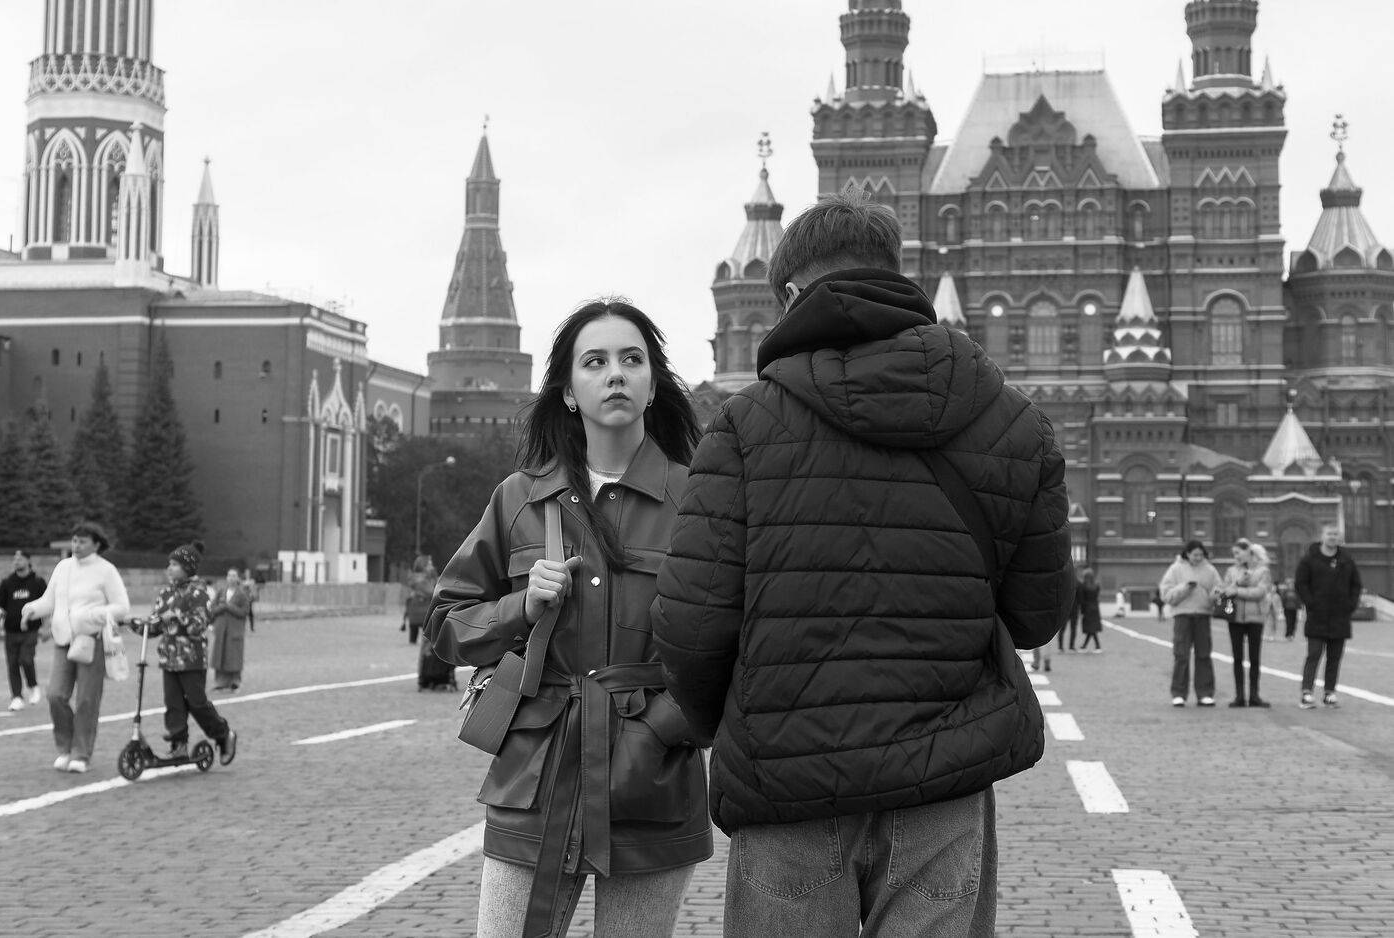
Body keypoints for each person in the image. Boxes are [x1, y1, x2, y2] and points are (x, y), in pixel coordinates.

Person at [652, 191, 1073, 937]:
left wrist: (739, 721)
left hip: (788, 784)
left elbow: (692, 622)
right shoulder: (1012, 420)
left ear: (790, 296)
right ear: (897, 276)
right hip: (945, 779)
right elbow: (1038, 614)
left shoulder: (743, 426)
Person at [427, 300, 712, 938]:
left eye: (632, 360)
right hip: (536, 774)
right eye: (595, 361)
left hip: (652, 780)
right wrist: (521, 607)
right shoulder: (520, 499)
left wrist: (664, 727)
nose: (616, 374)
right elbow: (447, 622)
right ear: (567, 391)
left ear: (653, 384)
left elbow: (734, 639)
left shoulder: (699, 500)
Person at [21, 522, 130, 773]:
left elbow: (122, 607)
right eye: (74, 540)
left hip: (91, 641)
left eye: (82, 541)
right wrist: (31, 609)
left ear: (96, 544)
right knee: (55, 695)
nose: (76, 545)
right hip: (63, 640)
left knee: (86, 700)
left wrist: (93, 615)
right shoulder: (63, 567)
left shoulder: (106, 570)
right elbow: (49, 601)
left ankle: (81, 753)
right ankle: (65, 747)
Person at [125, 541, 238, 761]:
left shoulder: (199, 593)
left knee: (197, 703)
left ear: (188, 567)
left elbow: (199, 625)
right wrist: (134, 623)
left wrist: (178, 617)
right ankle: (179, 744)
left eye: (175, 564)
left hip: (191, 659)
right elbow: (155, 625)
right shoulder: (166, 593)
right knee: (173, 703)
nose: (169, 568)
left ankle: (223, 734)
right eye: (169, 564)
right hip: (169, 658)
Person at [1294, 524, 1362, 709]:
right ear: (1322, 536)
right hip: (1317, 616)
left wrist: (1350, 605)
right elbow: (1300, 583)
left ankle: (1329, 693)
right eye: (1329, 534)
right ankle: (1307, 693)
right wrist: (1311, 603)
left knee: (1334, 658)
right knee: (1314, 655)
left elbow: (1356, 585)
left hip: (1340, 617)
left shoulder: (1346, 560)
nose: (1332, 537)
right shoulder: (1309, 559)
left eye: (1335, 534)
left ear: (1339, 538)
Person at [1158, 539, 1222, 708]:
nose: (1198, 558)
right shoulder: (1175, 569)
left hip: (1203, 615)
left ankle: (1205, 693)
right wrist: (1185, 588)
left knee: (1204, 655)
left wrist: (1215, 594)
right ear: (1187, 554)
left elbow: (1218, 588)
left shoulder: (1210, 570)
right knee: (1181, 655)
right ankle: (1178, 694)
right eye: (1195, 555)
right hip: (1182, 616)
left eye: (1201, 555)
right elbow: (1166, 594)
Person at [1217, 539, 1274, 708]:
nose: (1235, 556)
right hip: (1235, 618)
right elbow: (1224, 591)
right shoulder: (1231, 571)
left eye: (1238, 553)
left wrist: (1237, 591)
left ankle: (1254, 696)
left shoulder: (1263, 571)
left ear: (1249, 552)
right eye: (1234, 553)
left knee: (1255, 658)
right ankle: (1240, 696)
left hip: (1255, 618)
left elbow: (1260, 592)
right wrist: (1237, 583)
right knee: (1237, 658)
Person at [0, 550, 48, 711]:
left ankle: (33, 686)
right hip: (11, 631)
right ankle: (16, 697)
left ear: (28, 561)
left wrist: (46, 627)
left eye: (20, 559)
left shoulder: (38, 582)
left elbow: (46, 606)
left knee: (26, 659)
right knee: (12, 664)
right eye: (14, 559)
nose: (16, 561)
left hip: (31, 630)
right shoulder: (7, 582)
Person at [208, 568, 251, 692]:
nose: (231, 578)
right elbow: (212, 609)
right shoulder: (221, 591)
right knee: (220, 655)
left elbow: (244, 612)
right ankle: (220, 682)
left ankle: (234, 682)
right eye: (229, 575)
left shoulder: (242, 593)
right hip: (221, 629)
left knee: (234, 656)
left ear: (238, 578)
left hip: (235, 630)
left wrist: (229, 607)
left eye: (234, 576)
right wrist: (222, 608)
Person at [1077, 567, 1103, 652]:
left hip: (1087, 609)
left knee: (1091, 629)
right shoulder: (1097, 585)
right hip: (1095, 608)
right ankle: (1085, 646)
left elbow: (1082, 600)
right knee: (1092, 628)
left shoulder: (1084, 586)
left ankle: (1097, 646)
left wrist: (1082, 611)